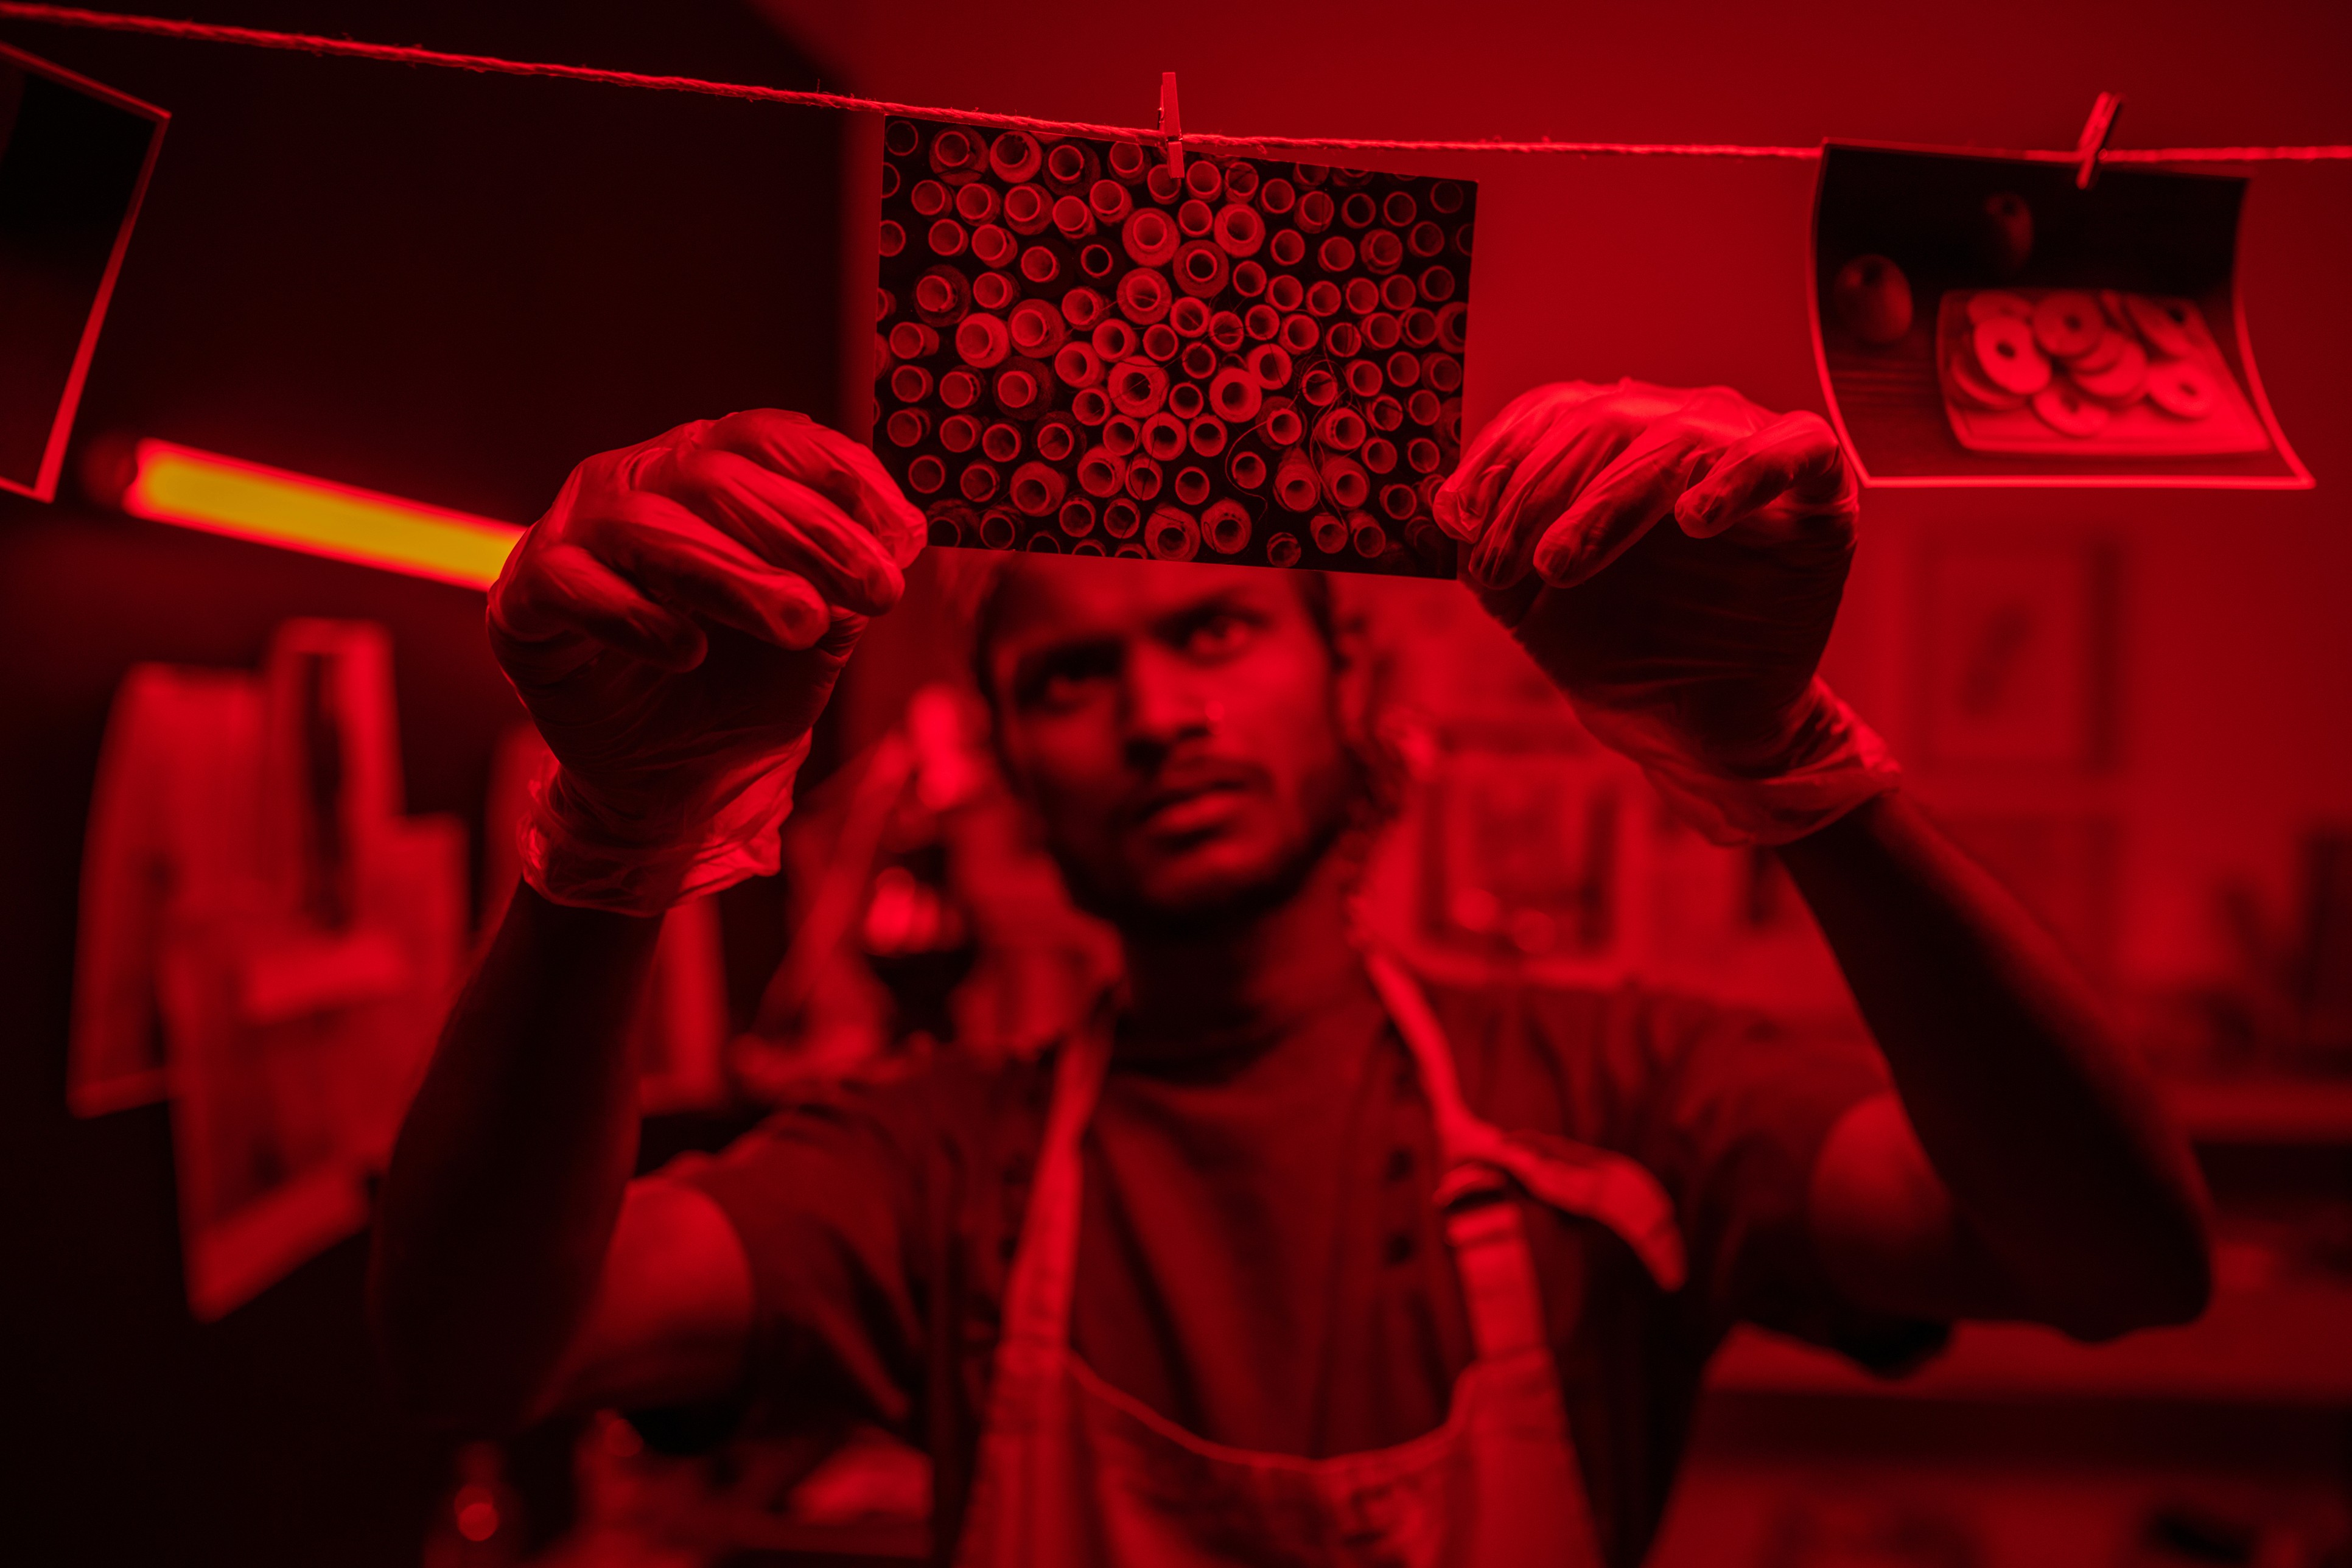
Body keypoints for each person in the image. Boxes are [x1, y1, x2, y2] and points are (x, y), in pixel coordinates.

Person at [370, 385, 2212, 1568]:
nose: (1161, 715)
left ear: (1363, 692)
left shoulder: (1617, 1094)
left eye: (1219, 632)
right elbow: (477, 1354)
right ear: (1007, 761)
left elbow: (2120, 1263)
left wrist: (1791, 769)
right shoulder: (929, 1165)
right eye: (1072, 679)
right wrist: (616, 846)